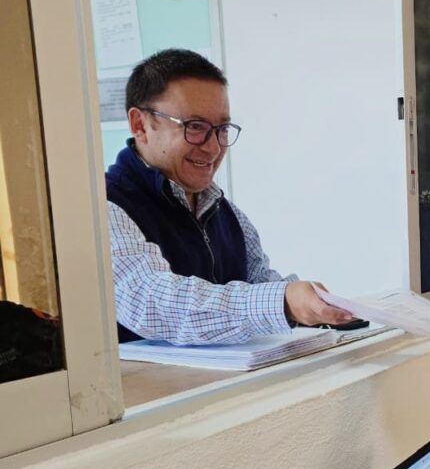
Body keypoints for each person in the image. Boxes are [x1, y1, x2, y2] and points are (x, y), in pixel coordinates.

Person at [106, 48, 354, 344]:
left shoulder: (229, 215)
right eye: (195, 127)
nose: (213, 148)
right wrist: (282, 301)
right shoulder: (103, 208)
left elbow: (260, 283)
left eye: (222, 129)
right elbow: (151, 301)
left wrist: (314, 305)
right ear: (140, 125)